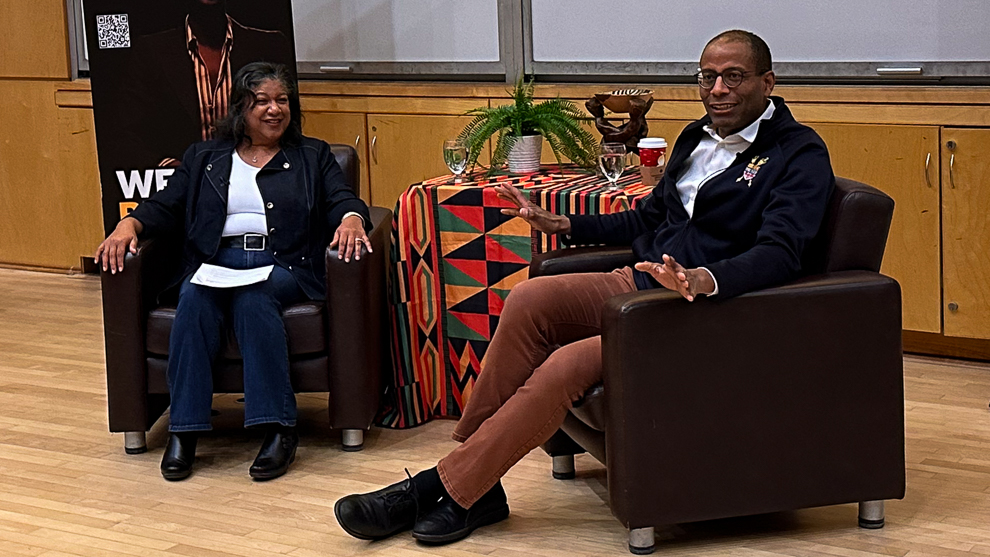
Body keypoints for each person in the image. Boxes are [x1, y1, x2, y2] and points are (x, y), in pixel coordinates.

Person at [333, 29, 835, 544]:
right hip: (639, 284)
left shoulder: (798, 153)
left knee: (566, 362)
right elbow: (647, 219)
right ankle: (472, 481)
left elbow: (781, 253)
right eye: (708, 77)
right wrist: (566, 225)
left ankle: (446, 486)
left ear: (767, 82)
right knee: (529, 298)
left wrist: (705, 279)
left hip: (704, 309)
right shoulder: (693, 136)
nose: (718, 90)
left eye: (734, 77)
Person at [95, 62, 372, 482]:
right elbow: (166, 204)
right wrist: (127, 224)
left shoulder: (311, 155)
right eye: (261, 101)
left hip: (282, 263)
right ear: (240, 108)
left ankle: (277, 428)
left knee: (254, 297)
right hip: (216, 262)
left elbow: (341, 199)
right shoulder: (204, 156)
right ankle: (183, 432)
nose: (274, 109)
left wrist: (351, 218)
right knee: (193, 299)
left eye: (282, 100)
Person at [122, 0, 295, 168]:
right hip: (180, 184)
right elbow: (128, 132)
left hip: (254, 175)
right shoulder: (151, 51)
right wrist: (173, 169)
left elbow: (289, 125)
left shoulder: (270, 46)